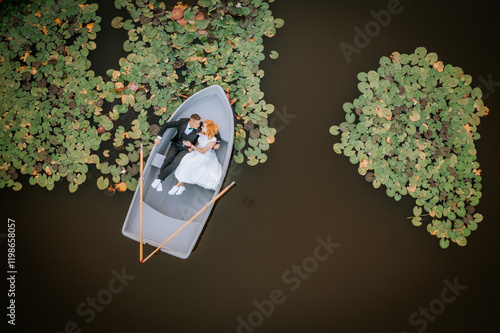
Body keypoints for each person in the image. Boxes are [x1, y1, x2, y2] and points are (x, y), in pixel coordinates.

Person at [150, 114, 219, 192]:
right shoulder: (182, 122)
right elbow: (166, 125)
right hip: (176, 145)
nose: (199, 125)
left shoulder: (200, 126)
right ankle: (160, 181)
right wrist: (159, 138)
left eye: (200, 124)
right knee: (167, 159)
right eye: (197, 124)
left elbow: (213, 130)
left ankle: (159, 179)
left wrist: (218, 142)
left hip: (186, 149)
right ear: (191, 122)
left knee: (176, 162)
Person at [168, 120, 222, 195]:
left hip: (204, 156)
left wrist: (191, 146)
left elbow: (203, 151)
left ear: (208, 129)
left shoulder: (213, 140)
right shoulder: (202, 134)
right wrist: (192, 148)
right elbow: (197, 142)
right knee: (184, 161)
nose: (201, 127)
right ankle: (182, 186)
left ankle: (178, 185)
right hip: (196, 151)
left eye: (203, 126)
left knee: (190, 164)